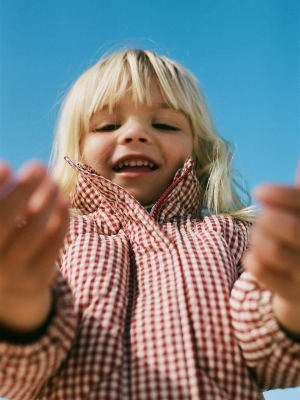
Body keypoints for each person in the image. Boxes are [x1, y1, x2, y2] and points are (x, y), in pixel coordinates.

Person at [0, 49, 299, 400]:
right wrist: (17, 300)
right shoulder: (56, 239)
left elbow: (273, 357)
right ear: (76, 149)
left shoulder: (231, 235)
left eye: (164, 124)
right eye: (108, 126)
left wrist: (291, 301)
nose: (135, 133)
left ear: (198, 150)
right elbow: (17, 376)